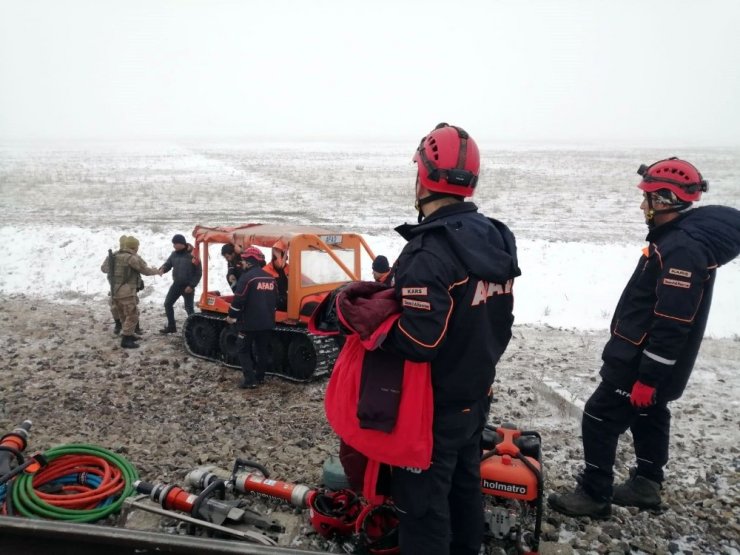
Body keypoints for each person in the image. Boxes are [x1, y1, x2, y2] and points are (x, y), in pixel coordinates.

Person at [548, 158, 740, 518]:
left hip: (640, 360)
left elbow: (672, 321)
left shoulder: (681, 250)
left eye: (647, 198)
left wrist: (648, 377)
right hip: (651, 359)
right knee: (649, 414)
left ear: (664, 201)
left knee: (599, 416)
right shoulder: (678, 240)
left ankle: (594, 494)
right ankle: (647, 484)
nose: (642, 206)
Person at [379, 123, 521, 555]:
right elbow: (499, 319)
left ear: (422, 177)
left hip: (433, 406)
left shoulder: (430, 252)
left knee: (422, 504)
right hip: (476, 393)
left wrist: (374, 331)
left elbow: (420, 342)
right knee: (463, 486)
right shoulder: (495, 237)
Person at [225, 247, 277, 389]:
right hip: (267, 322)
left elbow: (238, 301)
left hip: (248, 323)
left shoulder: (247, 278)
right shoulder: (270, 278)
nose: (242, 263)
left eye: (243, 260)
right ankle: (260, 377)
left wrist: (231, 316)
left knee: (242, 349)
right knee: (262, 350)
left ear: (249, 262)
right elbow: (275, 300)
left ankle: (250, 380)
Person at [100, 236, 161, 349]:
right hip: (127, 292)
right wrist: (157, 271)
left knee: (124, 315)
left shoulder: (113, 256)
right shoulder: (131, 258)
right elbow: (145, 271)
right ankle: (126, 340)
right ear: (134, 247)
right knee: (133, 315)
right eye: (137, 246)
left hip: (114, 291)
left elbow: (104, 269)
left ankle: (128, 334)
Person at [159, 234, 202, 334]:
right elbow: (168, 264)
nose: (173, 246)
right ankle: (171, 326)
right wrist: (163, 268)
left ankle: (195, 329)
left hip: (188, 286)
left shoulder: (193, 254)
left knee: (189, 308)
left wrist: (192, 286)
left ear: (181, 243)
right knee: (168, 304)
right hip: (176, 285)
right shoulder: (174, 254)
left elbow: (198, 272)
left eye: (175, 244)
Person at [264, 239, 289, 310]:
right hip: (273, 306)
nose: (284, 260)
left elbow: (304, 281)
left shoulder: (290, 269)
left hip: (290, 303)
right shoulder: (265, 271)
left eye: (285, 258)